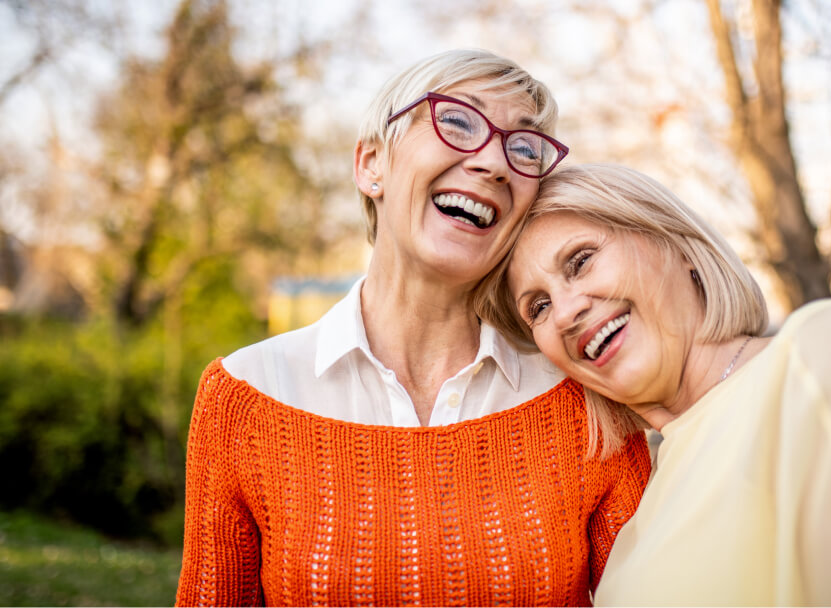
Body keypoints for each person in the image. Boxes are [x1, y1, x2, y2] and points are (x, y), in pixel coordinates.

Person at [175, 53, 650, 607]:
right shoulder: (245, 397)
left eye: (523, 150)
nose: (495, 162)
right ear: (371, 164)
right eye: (457, 120)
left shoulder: (584, 398)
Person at [476, 163, 831, 606]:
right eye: (538, 306)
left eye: (581, 260)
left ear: (679, 247)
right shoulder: (639, 508)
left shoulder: (825, 353)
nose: (567, 310)